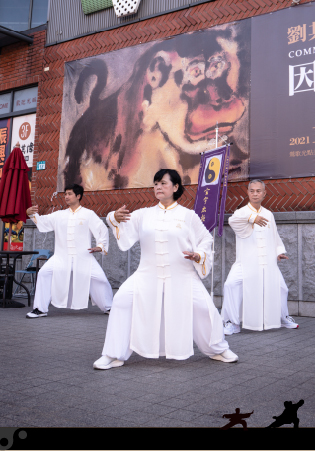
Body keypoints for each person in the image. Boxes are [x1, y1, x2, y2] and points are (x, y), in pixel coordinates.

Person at [93, 169, 238, 370]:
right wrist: (114, 217)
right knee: (121, 301)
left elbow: (205, 239)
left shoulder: (188, 216)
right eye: (155, 184)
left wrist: (199, 255)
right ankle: (112, 354)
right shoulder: (143, 214)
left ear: (176, 187)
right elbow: (121, 229)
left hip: (182, 274)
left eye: (163, 183)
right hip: (147, 274)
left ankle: (218, 348)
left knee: (205, 308)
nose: (158, 187)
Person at [221, 179, 298, 335]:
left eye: (258, 191)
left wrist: (278, 252)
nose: (255, 193)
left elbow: (274, 235)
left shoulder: (269, 214)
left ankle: (282, 318)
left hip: (267, 262)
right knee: (230, 285)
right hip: (246, 262)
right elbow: (232, 221)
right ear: (248, 192)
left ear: (264, 193)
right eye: (252, 191)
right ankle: (232, 322)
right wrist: (251, 218)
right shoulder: (241, 212)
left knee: (282, 288)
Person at [25, 184, 113, 318]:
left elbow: (102, 229)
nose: (66, 196)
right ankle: (39, 309)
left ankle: (109, 307)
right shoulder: (59, 215)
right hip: (61, 257)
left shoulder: (88, 214)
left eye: (70, 194)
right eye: (65, 194)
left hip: (84, 257)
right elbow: (43, 222)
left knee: (100, 279)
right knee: (43, 273)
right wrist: (31, 214)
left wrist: (100, 246)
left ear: (78, 196)